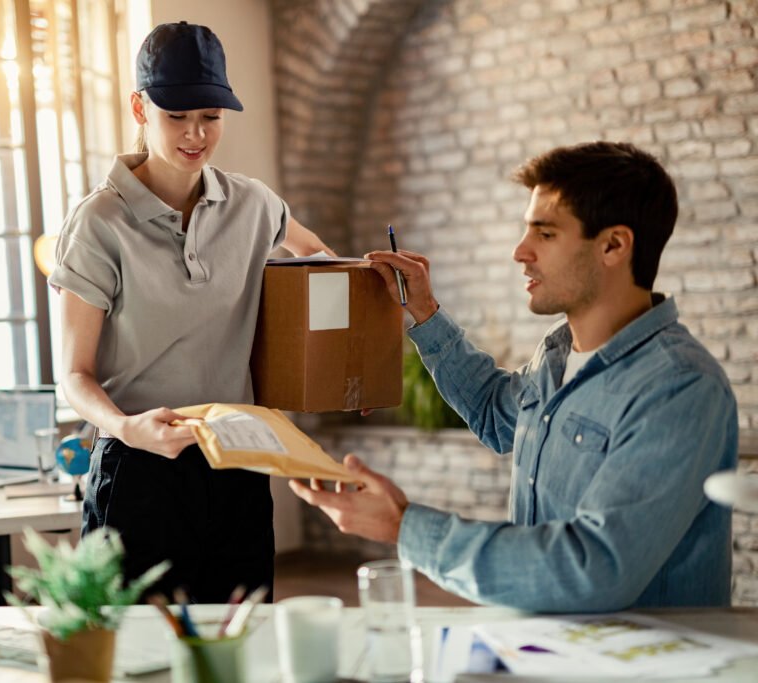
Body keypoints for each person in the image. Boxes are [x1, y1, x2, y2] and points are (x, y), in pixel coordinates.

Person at [291, 141, 736, 612]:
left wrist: (404, 525)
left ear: (613, 245)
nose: (520, 252)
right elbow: (494, 412)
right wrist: (422, 309)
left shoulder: (680, 388)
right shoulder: (557, 354)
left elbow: (593, 569)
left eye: (545, 234)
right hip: (550, 646)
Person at [49, 21, 333, 602]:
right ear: (139, 108)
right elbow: (73, 376)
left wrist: (360, 309)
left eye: (210, 115)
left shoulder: (254, 203)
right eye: (176, 115)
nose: (195, 133)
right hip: (139, 470)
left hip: (238, 466)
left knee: (242, 644)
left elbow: (321, 261)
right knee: (140, 656)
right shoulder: (98, 224)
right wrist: (128, 428)